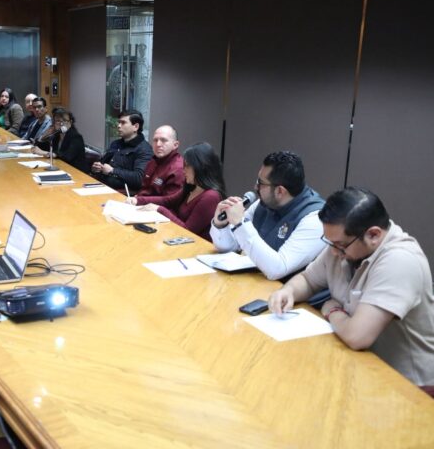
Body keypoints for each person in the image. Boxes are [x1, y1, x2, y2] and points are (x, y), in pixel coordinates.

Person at [268, 187, 434, 386]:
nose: (333, 251)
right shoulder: (344, 245)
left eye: (339, 245)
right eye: (330, 242)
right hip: (358, 365)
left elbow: (357, 336)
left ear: (373, 235)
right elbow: (308, 280)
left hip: (408, 386)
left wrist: (331, 310)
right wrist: (288, 291)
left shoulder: (399, 261)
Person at [210, 151, 325, 280]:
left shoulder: (316, 219)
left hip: (285, 290)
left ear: (280, 191)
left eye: (261, 183)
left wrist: (240, 223)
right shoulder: (264, 203)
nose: (255, 186)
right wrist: (221, 225)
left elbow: (278, 269)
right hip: (256, 283)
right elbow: (230, 247)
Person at [132, 143, 225, 241]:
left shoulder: (211, 196)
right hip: (178, 239)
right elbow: (167, 200)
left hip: (196, 246)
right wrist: (137, 200)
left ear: (200, 167)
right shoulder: (192, 187)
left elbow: (188, 231)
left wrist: (159, 209)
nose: (183, 170)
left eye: (187, 166)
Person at [91, 110, 153, 192]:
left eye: (123, 123)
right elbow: (103, 164)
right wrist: (97, 168)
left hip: (121, 193)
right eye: (119, 122)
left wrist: (112, 171)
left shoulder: (144, 149)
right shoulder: (115, 143)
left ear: (136, 127)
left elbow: (140, 178)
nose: (118, 126)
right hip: (101, 185)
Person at [127, 125, 184, 200]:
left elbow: (169, 201)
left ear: (175, 145)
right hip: (140, 203)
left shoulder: (178, 169)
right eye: (155, 140)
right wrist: (137, 197)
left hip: (156, 207)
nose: (158, 144)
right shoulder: (152, 161)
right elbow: (144, 189)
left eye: (163, 140)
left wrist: (139, 201)